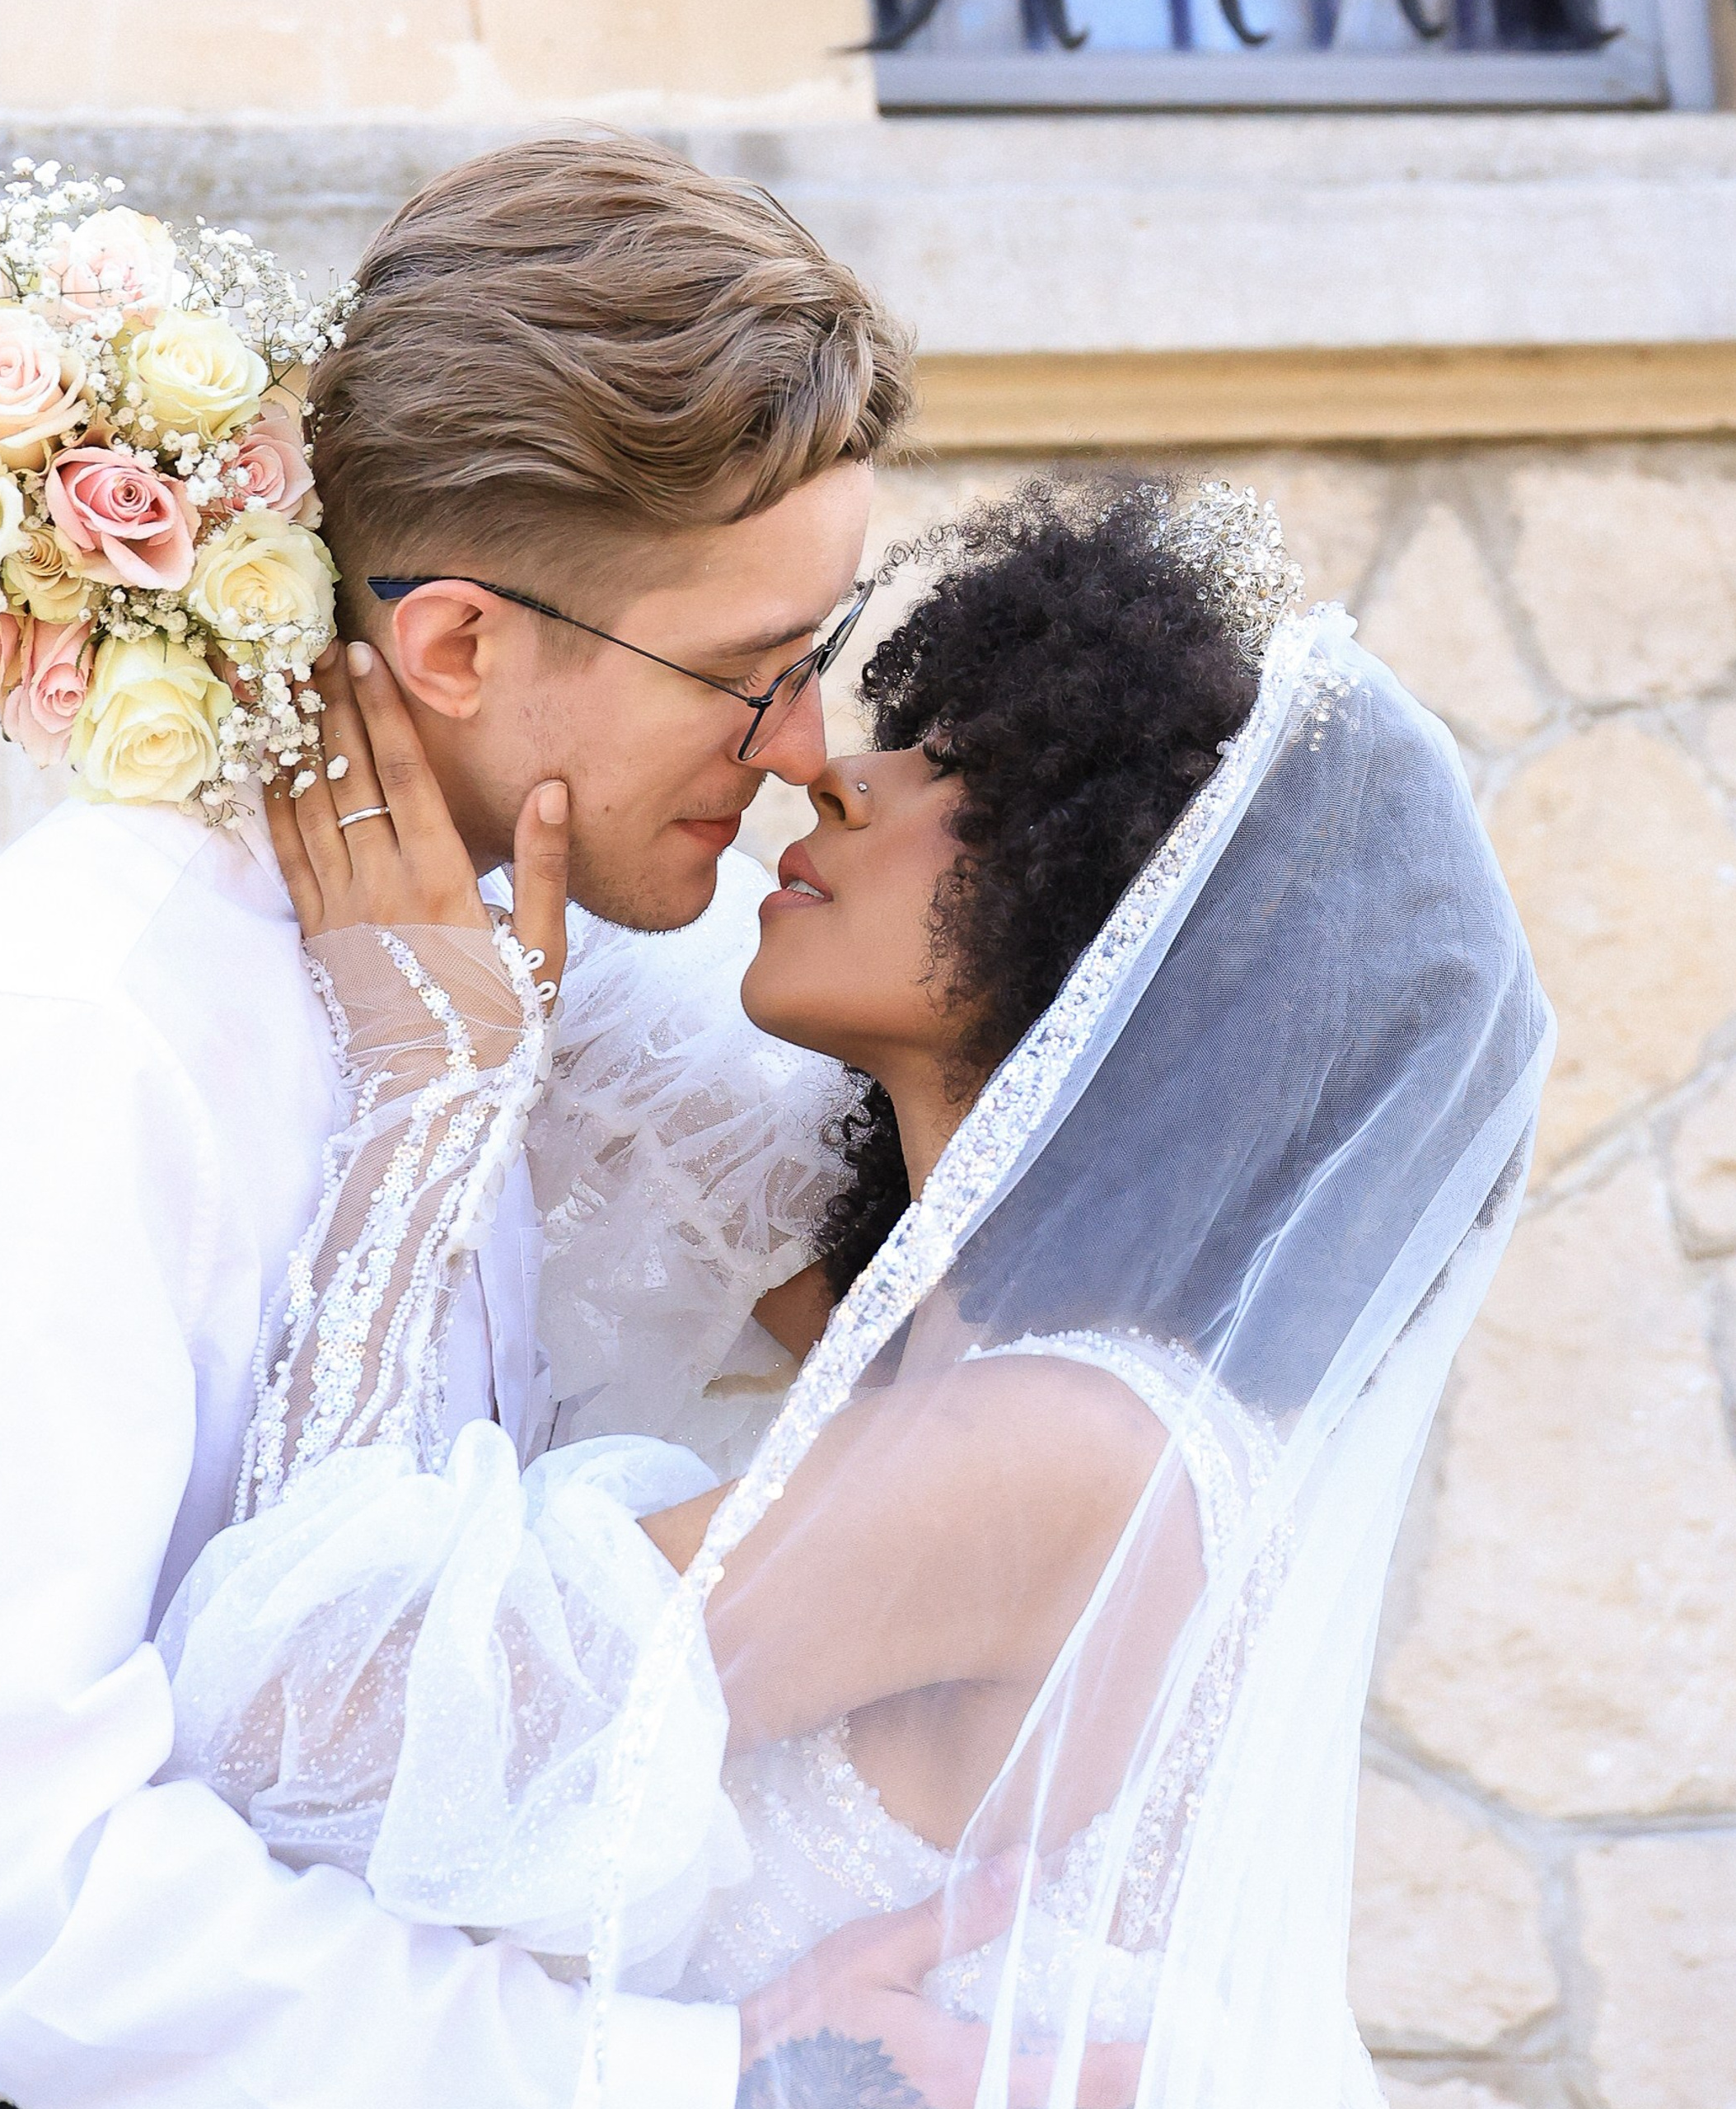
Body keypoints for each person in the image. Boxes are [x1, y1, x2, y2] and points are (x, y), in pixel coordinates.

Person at [0, 134, 936, 2109]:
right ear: (456, 645)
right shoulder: (73, 1035)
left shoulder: (504, 977)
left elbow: (939, 1318)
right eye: (742, 672)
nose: (801, 739)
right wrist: (704, 2077)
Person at [157, 477, 1555, 2109]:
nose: (817, 761)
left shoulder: (1055, 1448)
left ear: (1103, 911)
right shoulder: (951, 1353)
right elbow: (633, 1050)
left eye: (954, 764)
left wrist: (423, 1091)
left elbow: (304, 1729)